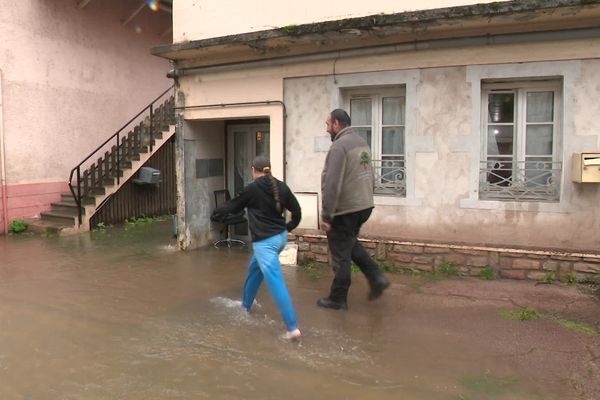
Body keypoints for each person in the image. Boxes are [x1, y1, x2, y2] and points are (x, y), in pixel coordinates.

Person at [212, 155, 303, 340]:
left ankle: (292, 328)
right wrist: (288, 228)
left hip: (265, 244)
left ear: (253, 169)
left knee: (276, 282)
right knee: (254, 269)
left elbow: (233, 206)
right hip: (280, 238)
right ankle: (245, 305)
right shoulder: (281, 186)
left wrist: (217, 211)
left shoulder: (252, 189)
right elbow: (297, 212)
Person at [318, 109, 390, 310]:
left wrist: (326, 214)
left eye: (327, 125)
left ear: (337, 124)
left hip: (345, 209)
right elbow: (371, 175)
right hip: (364, 205)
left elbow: (332, 183)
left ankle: (338, 298)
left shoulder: (339, 146)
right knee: (349, 244)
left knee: (340, 254)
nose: (327, 130)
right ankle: (376, 278)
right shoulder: (361, 143)